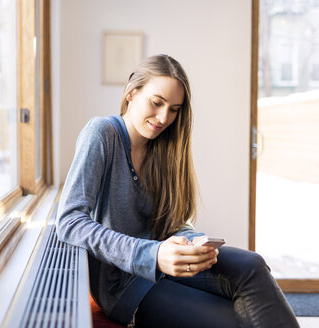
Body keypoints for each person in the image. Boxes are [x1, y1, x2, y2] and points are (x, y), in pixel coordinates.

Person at [56, 54, 299, 327]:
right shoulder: (102, 134)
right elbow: (69, 221)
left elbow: (172, 222)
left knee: (252, 266)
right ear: (131, 93)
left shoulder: (164, 148)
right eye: (157, 103)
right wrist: (152, 254)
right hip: (125, 285)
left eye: (174, 109)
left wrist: (193, 243)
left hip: (166, 264)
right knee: (236, 321)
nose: (163, 118)